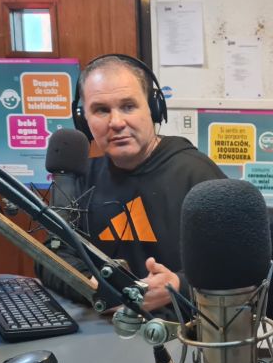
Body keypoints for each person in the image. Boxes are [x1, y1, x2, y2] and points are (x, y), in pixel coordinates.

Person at [37, 55, 225, 317]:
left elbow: (231, 271)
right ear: (84, 121)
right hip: (103, 329)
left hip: (177, 338)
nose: (116, 122)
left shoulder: (198, 176)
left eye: (128, 106)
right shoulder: (79, 177)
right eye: (101, 110)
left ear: (153, 109)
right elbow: (51, 259)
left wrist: (179, 286)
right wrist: (94, 288)